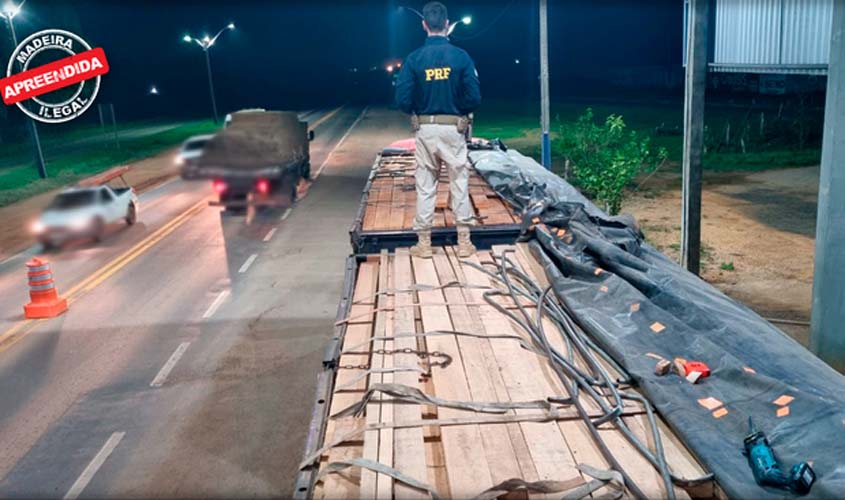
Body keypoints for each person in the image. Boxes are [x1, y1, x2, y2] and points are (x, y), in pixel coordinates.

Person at [395, 1, 481, 259]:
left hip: (426, 129)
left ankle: (424, 244)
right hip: (453, 128)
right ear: (446, 24)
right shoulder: (461, 57)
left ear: (424, 25)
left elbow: (402, 100)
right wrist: (458, 108)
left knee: (425, 185)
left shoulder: (414, 60)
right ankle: (464, 243)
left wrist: (418, 109)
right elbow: (474, 97)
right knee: (459, 182)